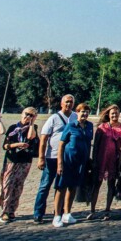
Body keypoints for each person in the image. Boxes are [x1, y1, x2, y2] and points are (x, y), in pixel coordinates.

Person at [33, 95, 77, 223]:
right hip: (51, 157)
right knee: (45, 185)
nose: (69, 104)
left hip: (66, 158)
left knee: (62, 186)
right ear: (62, 104)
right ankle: (38, 212)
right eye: (67, 102)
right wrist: (41, 157)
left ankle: (59, 211)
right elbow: (44, 138)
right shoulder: (54, 118)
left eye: (71, 102)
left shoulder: (75, 117)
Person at [52, 103, 93, 228]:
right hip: (68, 161)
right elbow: (62, 144)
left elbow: (88, 143)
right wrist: (59, 163)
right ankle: (57, 215)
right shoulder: (71, 126)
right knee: (61, 187)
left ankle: (67, 213)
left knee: (73, 187)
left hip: (81, 163)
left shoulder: (89, 126)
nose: (84, 114)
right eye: (82, 111)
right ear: (77, 113)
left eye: (86, 112)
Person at [0, 107, 38, 223]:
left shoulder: (33, 128)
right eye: (26, 114)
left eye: (31, 115)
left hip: (25, 161)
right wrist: (17, 145)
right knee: (7, 185)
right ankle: (5, 210)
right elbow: (5, 146)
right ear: (21, 114)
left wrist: (32, 123)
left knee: (18, 186)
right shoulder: (13, 128)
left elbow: (30, 137)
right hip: (12, 160)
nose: (28, 117)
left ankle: (12, 210)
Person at [89, 105, 121, 220]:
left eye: (116, 113)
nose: (114, 115)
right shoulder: (102, 127)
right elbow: (96, 145)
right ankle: (92, 210)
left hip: (114, 160)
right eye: (112, 113)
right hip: (101, 159)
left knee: (111, 185)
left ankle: (107, 210)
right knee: (96, 185)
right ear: (108, 115)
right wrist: (94, 160)